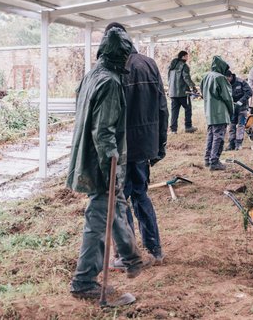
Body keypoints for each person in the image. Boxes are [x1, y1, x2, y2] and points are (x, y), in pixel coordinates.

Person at [66, 24, 147, 300]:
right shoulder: (110, 82)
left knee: (115, 209)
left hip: (90, 159)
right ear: (121, 56)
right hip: (101, 164)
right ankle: (84, 281)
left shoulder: (92, 75)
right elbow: (103, 132)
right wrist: (110, 167)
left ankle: (131, 257)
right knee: (98, 221)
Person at [108, 22, 167, 271]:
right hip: (144, 145)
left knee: (121, 200)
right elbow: (162, 106)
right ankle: (155, 249)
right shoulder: (149, 64)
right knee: (141, 195)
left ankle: (128, 254)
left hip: (122, 148)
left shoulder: (115, 68)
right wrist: (160, 143)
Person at [200, 56, 234, 170]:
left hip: (209, 111)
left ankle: (207, 159)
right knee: (218, 137)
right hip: (220, 113)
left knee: (211, 135)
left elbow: (202, 93)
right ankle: (214, 161)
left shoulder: (206, 76)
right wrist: (231, 111)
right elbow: (227, 97)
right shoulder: (220, 78)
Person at [167, 50, 197, 134]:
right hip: (183, 93)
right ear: (183, 57)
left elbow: (169, 79)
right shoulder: (184, 66)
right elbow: (186, 78)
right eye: (187, 56)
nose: (187, 58)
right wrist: (193, 87)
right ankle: (188, 127)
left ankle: (173, 130)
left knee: (174, 111)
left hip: (173, 93)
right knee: (188, 109)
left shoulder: (171, 67)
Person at [225, 69, 252, 151]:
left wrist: (241, 101)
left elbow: (249, 92)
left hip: (242, 108)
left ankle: (238, 144)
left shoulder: (241, 82)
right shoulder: (225, 84)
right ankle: (231, 143)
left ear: (230, 76)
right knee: (232, 125)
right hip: (232, 108)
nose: (226, 81)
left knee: (241, 125)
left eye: (227, 79)